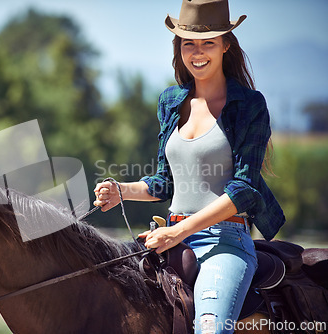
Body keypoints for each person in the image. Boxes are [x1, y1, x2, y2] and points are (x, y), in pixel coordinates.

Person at [93, 0, 285, 333]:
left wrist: (179, 231)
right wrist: (120, 191)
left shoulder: (250, 105)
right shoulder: (170, 102)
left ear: (226, 44)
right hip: (168, 238)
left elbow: (244, 191)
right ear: (178, 48)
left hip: (224, 243)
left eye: (208, 42)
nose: (198, 52)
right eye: (189, 43)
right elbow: (164, 184)